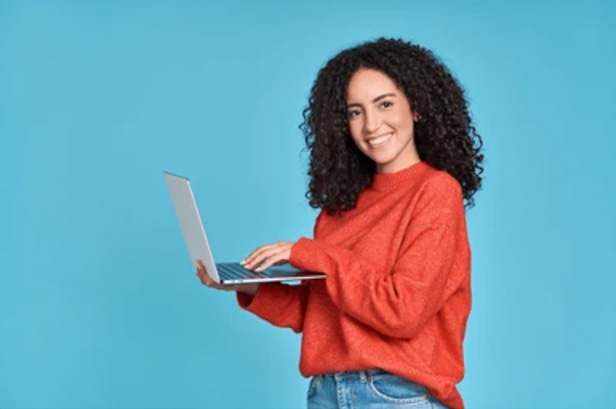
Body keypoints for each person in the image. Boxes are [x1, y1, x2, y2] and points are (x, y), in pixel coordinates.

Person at [196, 37, 484, 409]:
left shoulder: (436, 192)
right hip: (326, 393)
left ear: (416, 107)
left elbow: (403, 311)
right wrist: (248, 287)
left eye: (384, 104)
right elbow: (320, 314)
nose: (371, 124)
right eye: (355, 112)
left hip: (396, 395)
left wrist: (309, 253)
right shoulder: (339, 208)